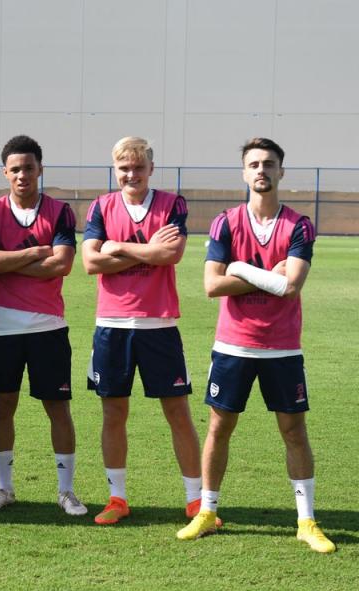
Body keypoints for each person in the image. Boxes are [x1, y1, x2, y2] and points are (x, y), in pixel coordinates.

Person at [177, 138, 335, 552]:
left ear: (281, 171)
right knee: (219, 428)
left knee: (293, 431)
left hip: (282, 347)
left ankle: (306, 521)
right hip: (233, 346)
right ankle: (207, 513)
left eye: (269, 164)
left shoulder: (299, 225)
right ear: (244, 173)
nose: (261, 170)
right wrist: (265, 272)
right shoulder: (226, 223)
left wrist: (240, 267)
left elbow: (290, 286)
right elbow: (212, 285)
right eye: (254, 164)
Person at [82, 136, 209, 526]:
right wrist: (141, 249)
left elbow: (169, 254)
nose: (131, 174)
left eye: (138, 167)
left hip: (159, 324)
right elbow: (90, 262)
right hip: (112, 325)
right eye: (124, 168)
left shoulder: (172, 204)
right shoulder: (101, 206)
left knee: (177, 412)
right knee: (113, 412)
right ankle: (117, 498)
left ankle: (195, 502)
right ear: (115, 170)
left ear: (151, 169)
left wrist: (115, 248)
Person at [0, 135, 87, 516]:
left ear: (40, 169)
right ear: (5, 172)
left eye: (29, 167)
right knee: (2, 406)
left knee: (58, 407)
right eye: (15, 169)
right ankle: (4, 488)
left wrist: (11, 261)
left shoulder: (59, 211)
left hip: (48, 326)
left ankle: (66, 491)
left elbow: (63, 264)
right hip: (1, 329)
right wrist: (35, 251)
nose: (23, 174)